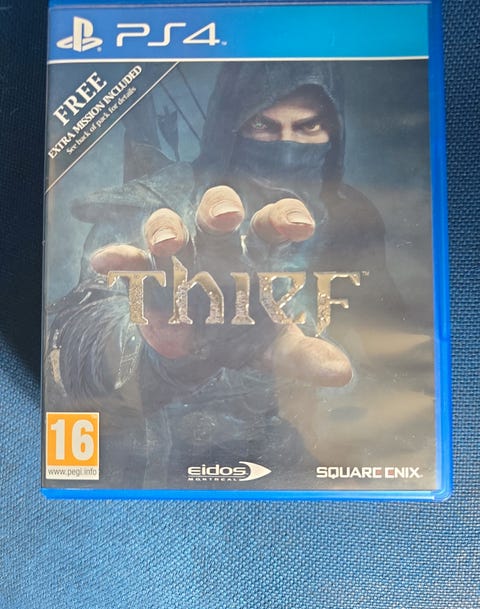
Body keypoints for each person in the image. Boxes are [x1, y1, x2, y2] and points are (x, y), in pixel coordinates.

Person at [46, 61, 407, 488]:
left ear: (334, 129)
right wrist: (159, 351)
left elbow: (392, 348)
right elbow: (72, 340)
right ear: (230, 123)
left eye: (308, 126)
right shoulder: (154, 205)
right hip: (162, 473)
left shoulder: (351, 217)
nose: (286, 146)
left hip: (302, 470)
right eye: (263, 125)